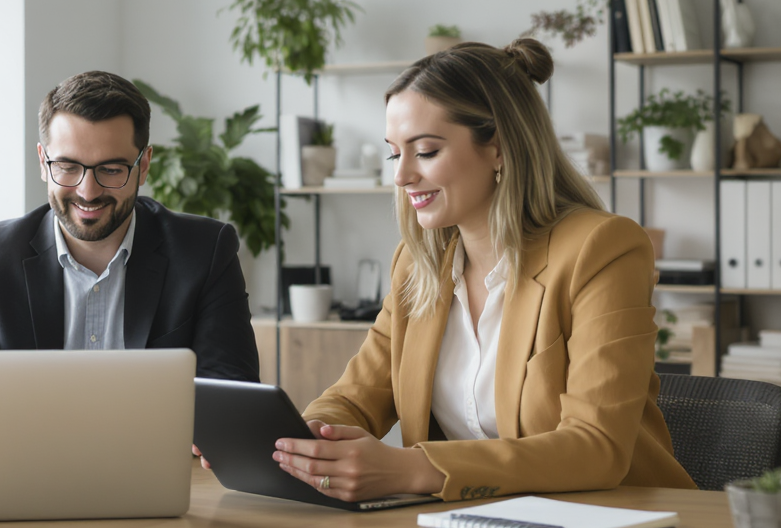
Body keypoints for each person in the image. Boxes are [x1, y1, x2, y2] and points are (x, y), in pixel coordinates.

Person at [269, 39, 696, 502]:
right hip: (478, 524)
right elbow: (355, 396)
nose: (401, 176)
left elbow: (597, 447)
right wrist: (305, 443)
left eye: (425, 151)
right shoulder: (417, 265)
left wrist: (413, 469)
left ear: (498, 146)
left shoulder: (602, 250)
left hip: (619, 521)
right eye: (395, 153)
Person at [0, 70, 260, 382]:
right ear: (43, 162)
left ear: (144, 165)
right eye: (67, 166)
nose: (88, 192)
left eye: (111, 169)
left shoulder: (205, 252)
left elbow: (231, 393)